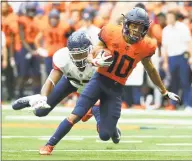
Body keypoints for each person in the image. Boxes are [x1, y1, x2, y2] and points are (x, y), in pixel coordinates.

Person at [36, 7, 181, 155]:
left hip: (116, 89)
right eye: (134, 26)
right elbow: (95, 49)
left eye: (140, 27)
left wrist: (164, 91)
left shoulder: (146, 45)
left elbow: (151, 70)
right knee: (76, 115)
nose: (137, 30)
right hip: (98, 81)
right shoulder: (110, 32)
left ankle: (111, 129)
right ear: (127, 24)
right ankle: (49, 145)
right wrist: (96, 58)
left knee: (105, 135)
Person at [162, 11, 192, 110]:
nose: (169, 19)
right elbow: (165, 47)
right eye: (167, 17)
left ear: (175, 17)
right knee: (173, 82)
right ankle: (173, 104)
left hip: (182, 56)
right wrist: (165, 62)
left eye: (170, 17)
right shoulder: (165, 30)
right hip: (171, 58)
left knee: (185, 81)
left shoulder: (182, 27)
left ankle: (188, 104)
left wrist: (190, 56)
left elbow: (188, 42)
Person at [35, 9, 72, 76]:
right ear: (49, 19)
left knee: (62, 75)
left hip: (61, 55)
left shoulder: (65, 26)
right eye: (52, 18)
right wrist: (39, 49)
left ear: (58, 19)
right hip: (50, 55)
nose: (53, 20)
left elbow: (70, 40)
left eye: (55, 18)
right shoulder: (45, 27)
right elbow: (37, 40)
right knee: (49, 75)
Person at [18, 2, 41, 97]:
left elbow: (38, 37)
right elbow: (22, 39)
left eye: (33, 10)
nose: (31, 12)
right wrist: (31, 51)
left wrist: (37, 49)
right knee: (23, 73)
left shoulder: (36, 21)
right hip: (25, 48)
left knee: (37, 73)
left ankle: (37, 94)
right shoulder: (22, 20)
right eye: (30, 10)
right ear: (26, 11)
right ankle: (19, 95)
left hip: (34, 47)